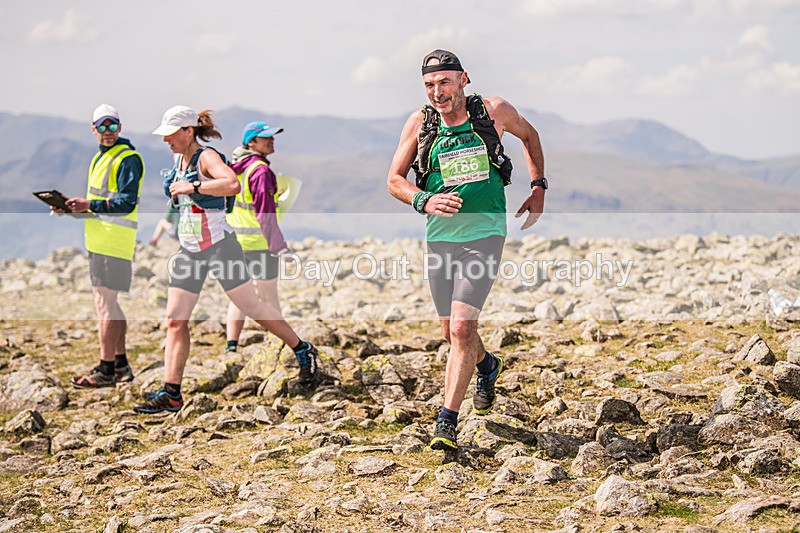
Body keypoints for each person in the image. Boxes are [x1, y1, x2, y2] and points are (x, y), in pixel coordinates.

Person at [387, 50, 546, 451]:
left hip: (486, 232)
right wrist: (423, 200)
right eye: (429, 85)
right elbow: (394, 179)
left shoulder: (494, 111)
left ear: (463, 79)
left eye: (444, 82)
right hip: (441, 236)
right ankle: (487, 364)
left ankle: (446, 422)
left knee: (461, 327)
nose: (437, 92)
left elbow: (530, 136)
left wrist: (539, 186)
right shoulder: (421, 123)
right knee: (451, 332)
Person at [133, 106, 318, 414]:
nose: (165, 140)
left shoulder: (207, 157)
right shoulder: (177, 159)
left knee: (253, 308)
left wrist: (193, 186)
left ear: (187, 131)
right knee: (175, 321)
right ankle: (172, 393)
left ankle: (303, 348)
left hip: (220, 246)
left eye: (170, 134)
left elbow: (231, 183)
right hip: (190, 250)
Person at [64, 103, 144, 388]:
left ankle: (105, 369)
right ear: (94, 129)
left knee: (104, 304)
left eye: (113, 125)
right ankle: (120, 364)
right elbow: (101, 202)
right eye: (102, 126)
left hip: (114, 241)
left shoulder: (127, 158)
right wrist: (77, 210)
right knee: (111, 303)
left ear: (120, 128)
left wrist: (89, 205)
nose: (108, 131)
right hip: (101, 239)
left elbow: (126, 202)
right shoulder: (100, 158)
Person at [224, 122, 291, 354]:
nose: (272, 140)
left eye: (273, 136)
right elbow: (265, 214)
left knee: (239, 297)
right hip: (259, 244)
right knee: (269, 297)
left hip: (234, 242)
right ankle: (280, 344)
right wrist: (280, 246)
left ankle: (231, 347)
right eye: (265, 137)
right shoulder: (260, 170)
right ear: (251, 142)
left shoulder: (234, 167)